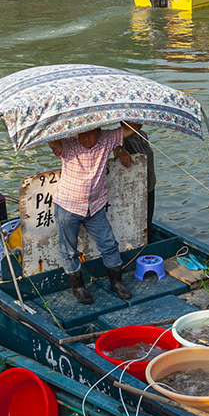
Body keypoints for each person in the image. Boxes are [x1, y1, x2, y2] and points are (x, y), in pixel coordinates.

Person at [48, 126, 134, 305]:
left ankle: (116, 282)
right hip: (68, 205)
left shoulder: (107, 139)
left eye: (91, 133)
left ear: (99, 132)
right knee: (69, 250)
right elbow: (53, 143)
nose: (86, 138)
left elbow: (132, 128)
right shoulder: (69, 144)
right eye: (82, 133)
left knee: (109, 243)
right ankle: (78, 288)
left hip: (95, 206)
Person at [122, 122, 156, 239]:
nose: (138, 122)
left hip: (150, 183)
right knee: (136, 219)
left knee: (149, 217)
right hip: (135, 186)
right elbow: (117, 151)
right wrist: (121, 152)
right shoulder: (122, 139)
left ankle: (148, 239)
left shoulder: (143, 135)